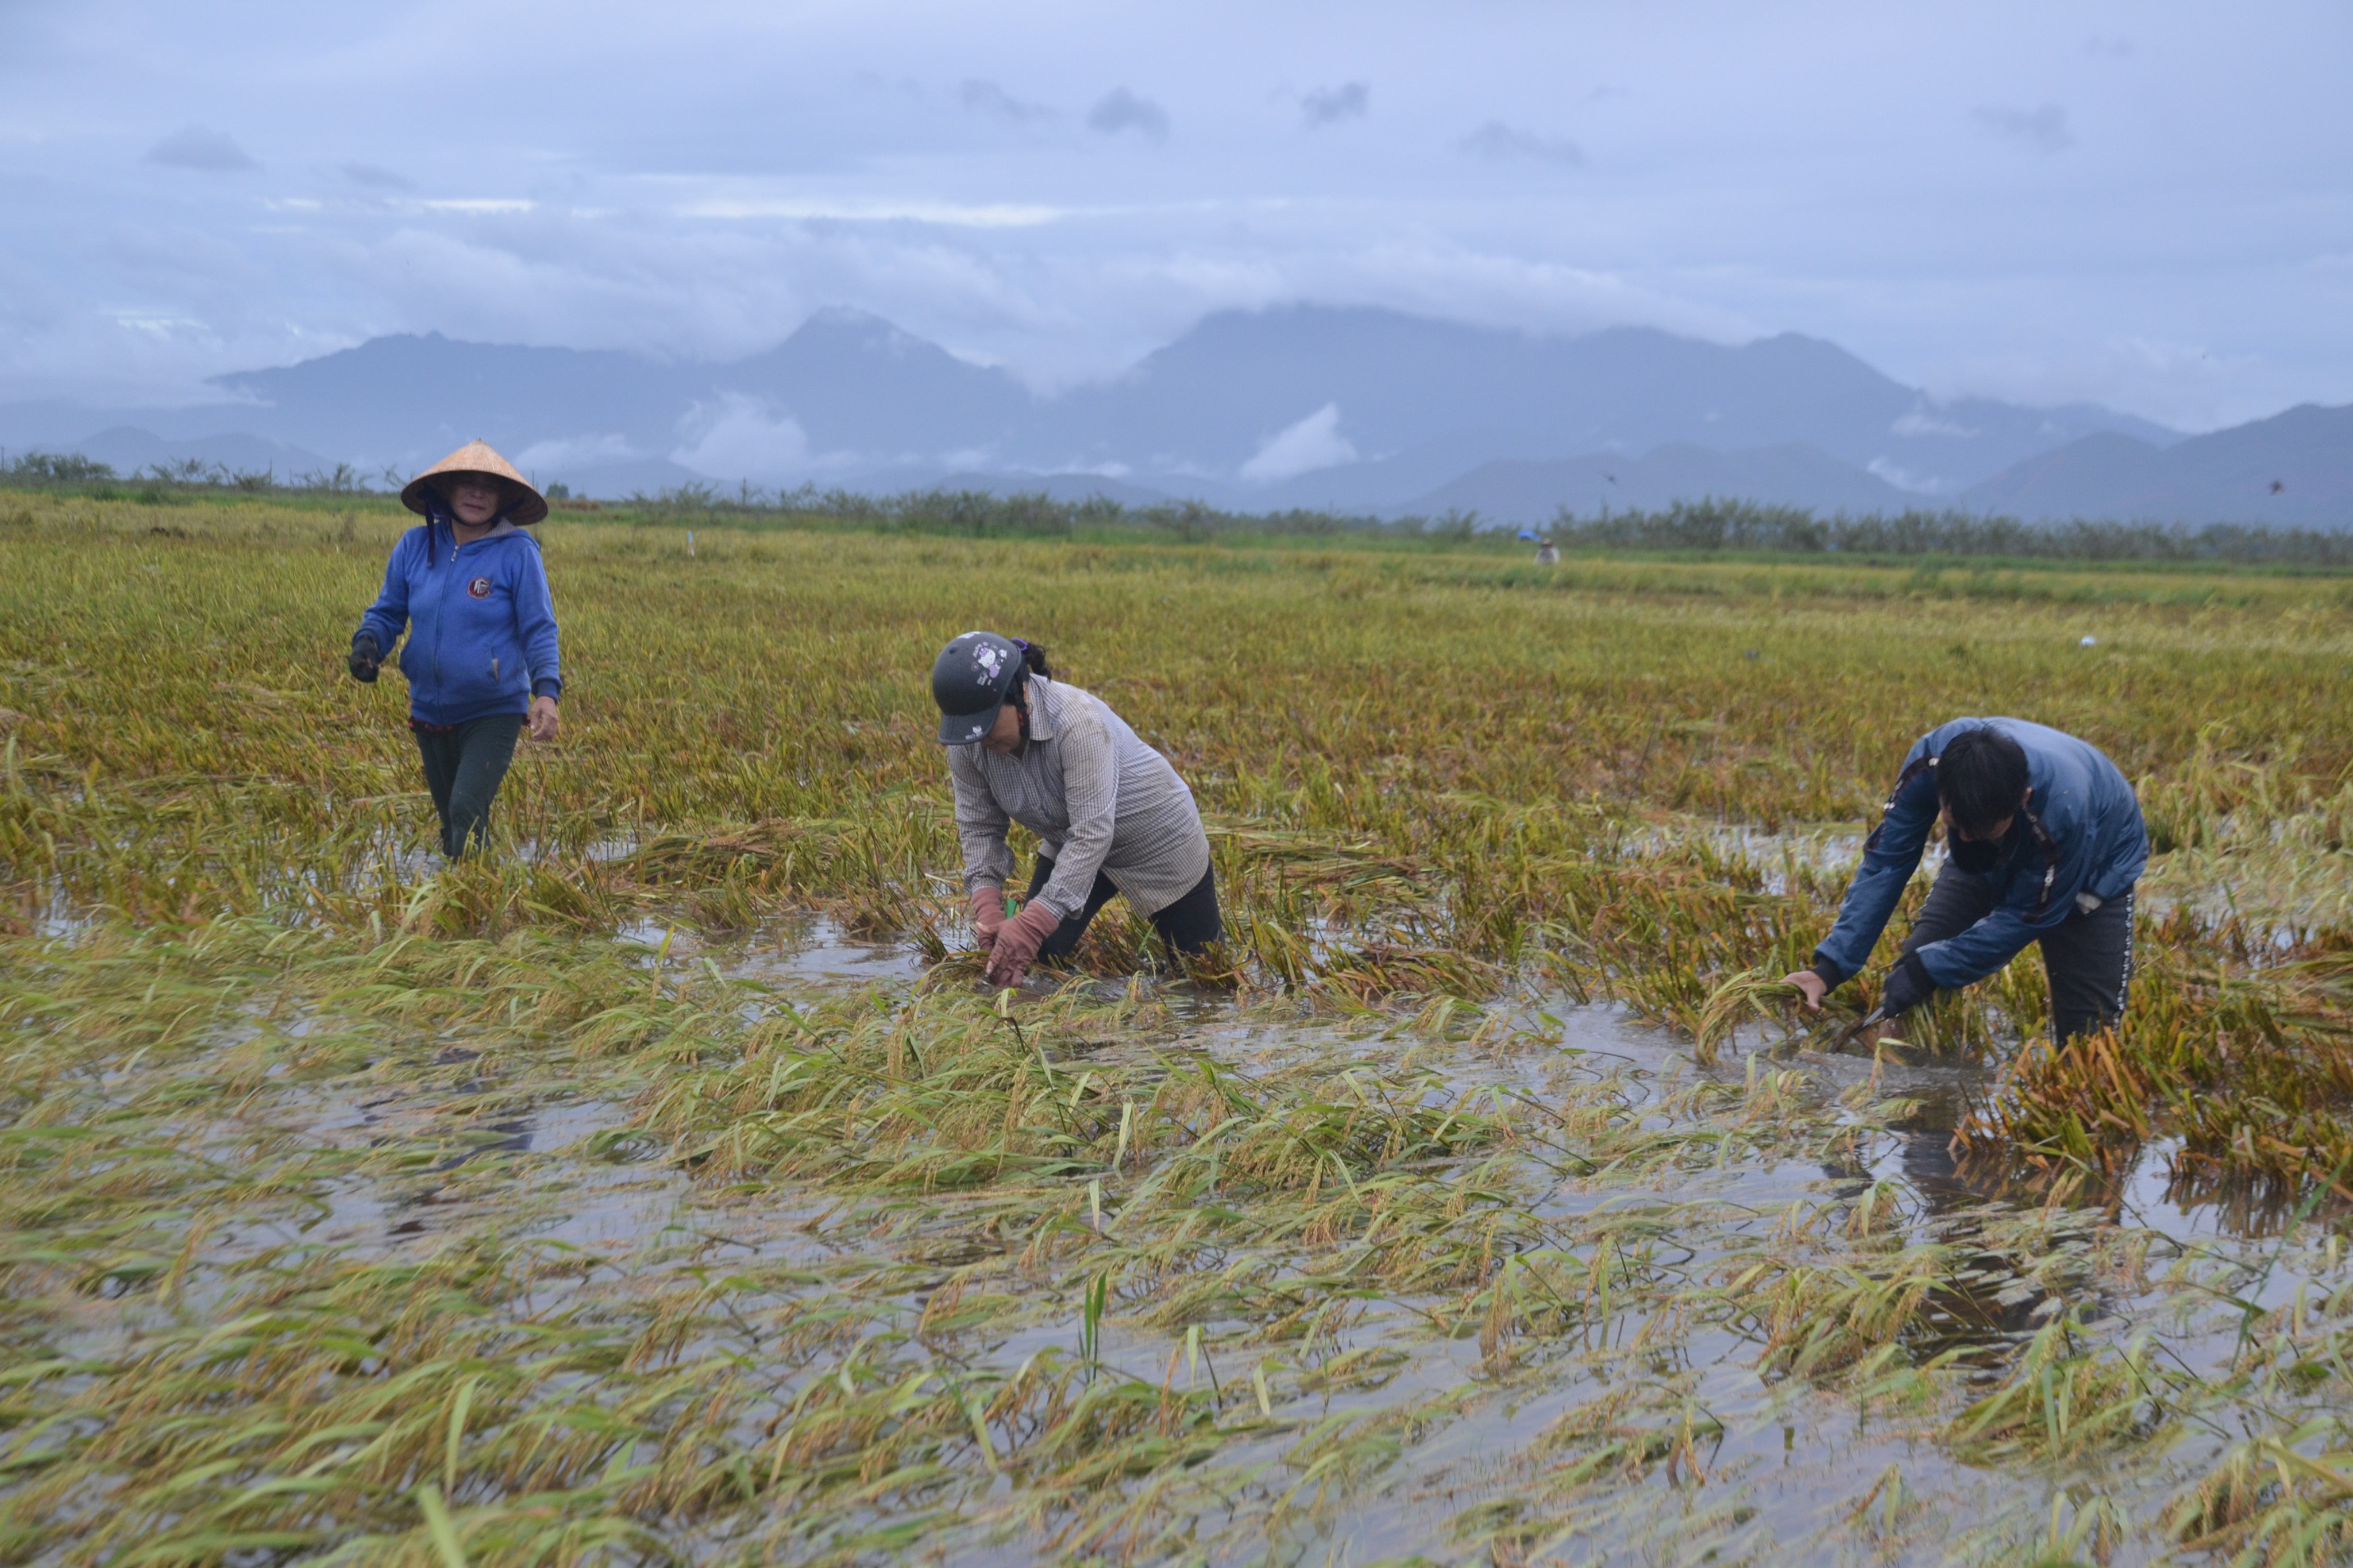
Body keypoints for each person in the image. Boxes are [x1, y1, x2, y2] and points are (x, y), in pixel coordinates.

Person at [1785, 719, 2147, 1046]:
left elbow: (2024, 920)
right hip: (2006, 835)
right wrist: (1829, 969)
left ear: (2023, 799)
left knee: (2088, 1039)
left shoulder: (2065, 811)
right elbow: (1886, 862)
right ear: (1940, 791)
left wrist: (1931, 969)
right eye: (1957, 827)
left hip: (2096, 861)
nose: (1969, 839)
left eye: (1982, 830)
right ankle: (1904, 1087)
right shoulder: (1929, 764)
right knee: (1913, 974)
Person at [932, 631, 1220, 987]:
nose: (983, 741)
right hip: (1071, 839)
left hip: (1159, 839)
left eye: (989, 726)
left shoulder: (1077, 723)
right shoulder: (969, 741)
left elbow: (1093, 832)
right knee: (1033, 955)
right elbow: (979, 827)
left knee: (1206, 976)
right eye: (971, 732)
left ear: (1021, 694)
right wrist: (988, 908)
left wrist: (1033, 922)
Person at [346, 440, 562, 859]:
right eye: (467, 483)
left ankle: (477, 910)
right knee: (451, 821)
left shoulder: (518, 553)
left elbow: (539, 628)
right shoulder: (413, 546)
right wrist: (368, 644)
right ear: (446, 490)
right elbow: (389, 612)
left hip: (493, 708)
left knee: (467, 807)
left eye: (489, 487)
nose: (477, 494)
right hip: (429, 708)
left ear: (503, 499)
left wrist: (547, 692)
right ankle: (463, 904)